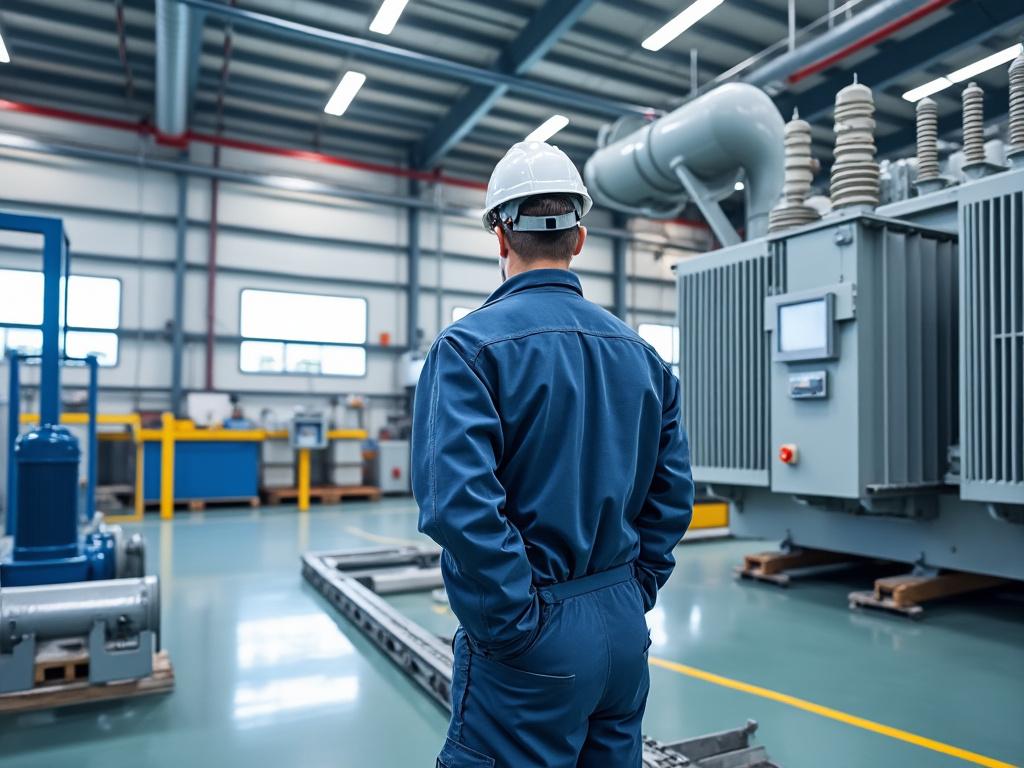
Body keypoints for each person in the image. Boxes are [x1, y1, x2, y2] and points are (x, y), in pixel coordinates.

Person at [411, 141, 694, 768]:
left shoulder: (468, 349)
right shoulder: (643, 357)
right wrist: (633, 590)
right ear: (581, 238)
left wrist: (515, 621)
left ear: (500, 235)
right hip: (622, 627)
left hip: (529, 636)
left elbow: (458, 505)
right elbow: (671, 496)